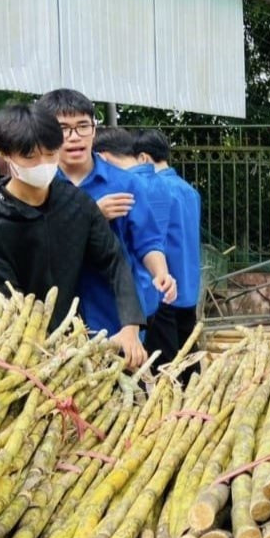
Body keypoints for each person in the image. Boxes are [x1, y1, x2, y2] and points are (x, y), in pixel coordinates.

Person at [0, 102, 146, 368]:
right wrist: (35, 355)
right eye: (30, 157)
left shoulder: (77, 204)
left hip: (69, 340)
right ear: (5, 154)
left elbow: (114, 261)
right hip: (7, 346)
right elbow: (3, 298)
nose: (43, 163)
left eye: (50, 153)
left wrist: (130, 326)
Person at [33, 89, 175, 340]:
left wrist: (161, 272)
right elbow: (33, 242)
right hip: (54, 317)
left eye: (82, 126)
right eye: (64, 128)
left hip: (116, 317)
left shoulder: (126, 184)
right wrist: (92, 216)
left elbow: (148, 241)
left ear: (94, 129)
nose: (74, 137)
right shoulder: (40, 186)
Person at [92, 126, 183, 364]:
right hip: (160, 289)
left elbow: (144, 240)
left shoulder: (127, 185)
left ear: (101, 156)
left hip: (134, 295)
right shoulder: (171, 186)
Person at [133, 128, 202, 365]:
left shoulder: (152, 189)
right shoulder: (189, 190)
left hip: (164, 290)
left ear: (143, 158)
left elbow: (150, 240)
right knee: (189, 359)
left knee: (167, 365)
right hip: (189, 286)